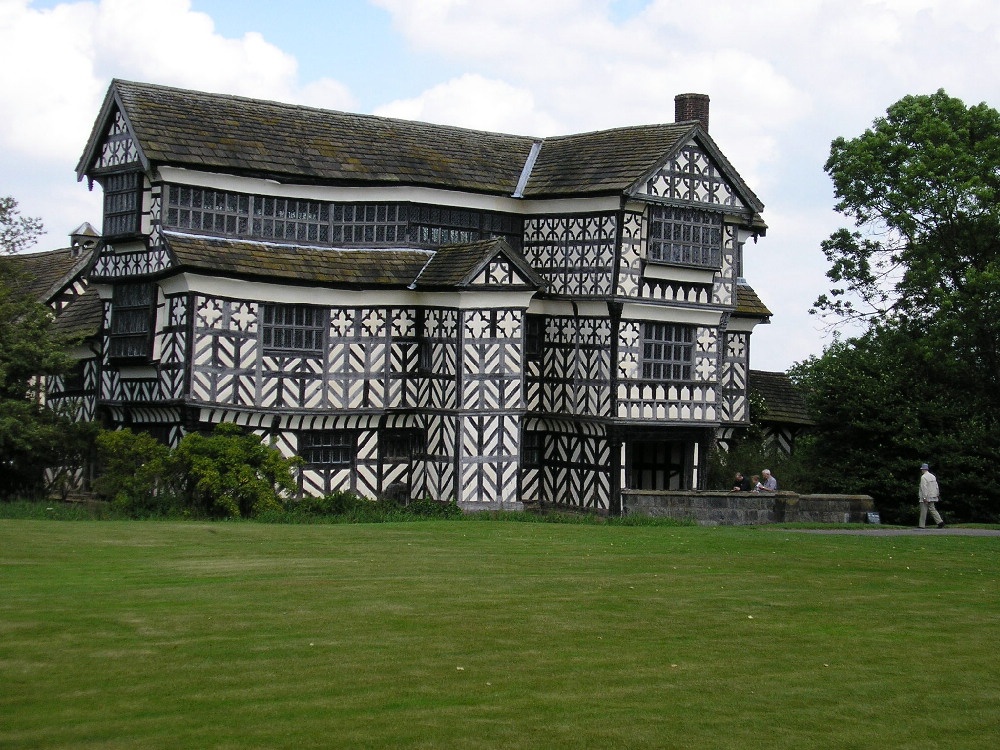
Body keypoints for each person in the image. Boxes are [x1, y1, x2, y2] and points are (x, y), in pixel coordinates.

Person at [918, 463, 945, 529]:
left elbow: (924, 488)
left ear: (923, 469)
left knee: (923, 511)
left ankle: (922, 525)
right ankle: (940, 522)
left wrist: (924, 497)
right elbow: (936, 486)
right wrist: (937, 494)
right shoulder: (933, 476)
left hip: (926, 496)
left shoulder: (923, 477)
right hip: (933, 495)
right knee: (933, 509)